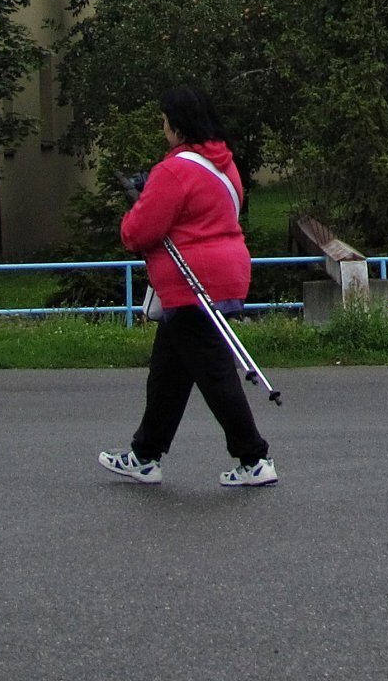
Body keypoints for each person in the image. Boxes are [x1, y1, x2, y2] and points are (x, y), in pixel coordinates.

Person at [98, 85, 277, 488]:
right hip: (225, 273)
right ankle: (145, 455)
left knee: (215, 373)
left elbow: (140, 230)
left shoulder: (174, 170)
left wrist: (132, 215)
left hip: (190, 283)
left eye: (164, 122)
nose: (162, 129)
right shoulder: (225, 165)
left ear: (177, 127)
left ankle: (254, 458)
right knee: (168, 374)